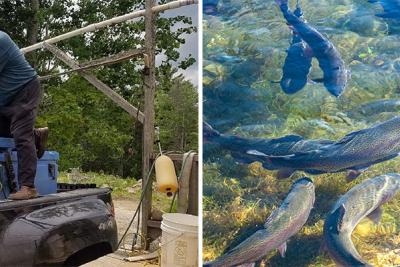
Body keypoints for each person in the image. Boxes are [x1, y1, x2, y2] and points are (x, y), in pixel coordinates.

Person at [0, 30, 48, 200]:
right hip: (5, 98)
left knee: (21, 135)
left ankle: (28, 187)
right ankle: (36, 136)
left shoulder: (1, 40)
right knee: (6, 135)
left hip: (24, 90)